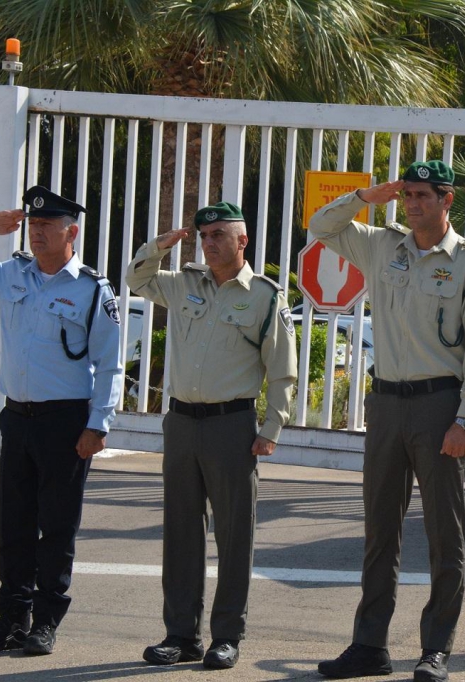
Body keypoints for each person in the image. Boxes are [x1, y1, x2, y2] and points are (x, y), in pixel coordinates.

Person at [309, 161, 465, 682]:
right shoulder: (381, 245)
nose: (412, 204)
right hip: (387, 403)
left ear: (447, 200)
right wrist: (364, 197)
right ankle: (369, 646)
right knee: (379, 530)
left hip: (441, 406)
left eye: (423, 196)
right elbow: (321, 227)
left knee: (444, 532)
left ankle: (435, 648)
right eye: (407, 195)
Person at [0, 186, 122, 656]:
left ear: (72, 232)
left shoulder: (91, 289)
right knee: (15, 525)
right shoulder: (11, 274)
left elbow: (109, 363)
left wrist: (98, 425)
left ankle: (45, 622)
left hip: (66, 421)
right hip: (17, 418)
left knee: (57, 527)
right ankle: (11, 618)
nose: (38, 233)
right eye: (34, 226)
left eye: (49, 226)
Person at [126, 202, 297, 670]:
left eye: (220, 234)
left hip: (231, 426)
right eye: (204, 236)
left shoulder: (263, 295)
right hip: (181, 423)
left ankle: (227, 636)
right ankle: (181, 635)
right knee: (181, 533)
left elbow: (283, 371)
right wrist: (157, 247)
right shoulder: (184, 283)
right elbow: (136, 281)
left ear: (243, 241)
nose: (210, 242)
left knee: (234, 534)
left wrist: (272, 427)